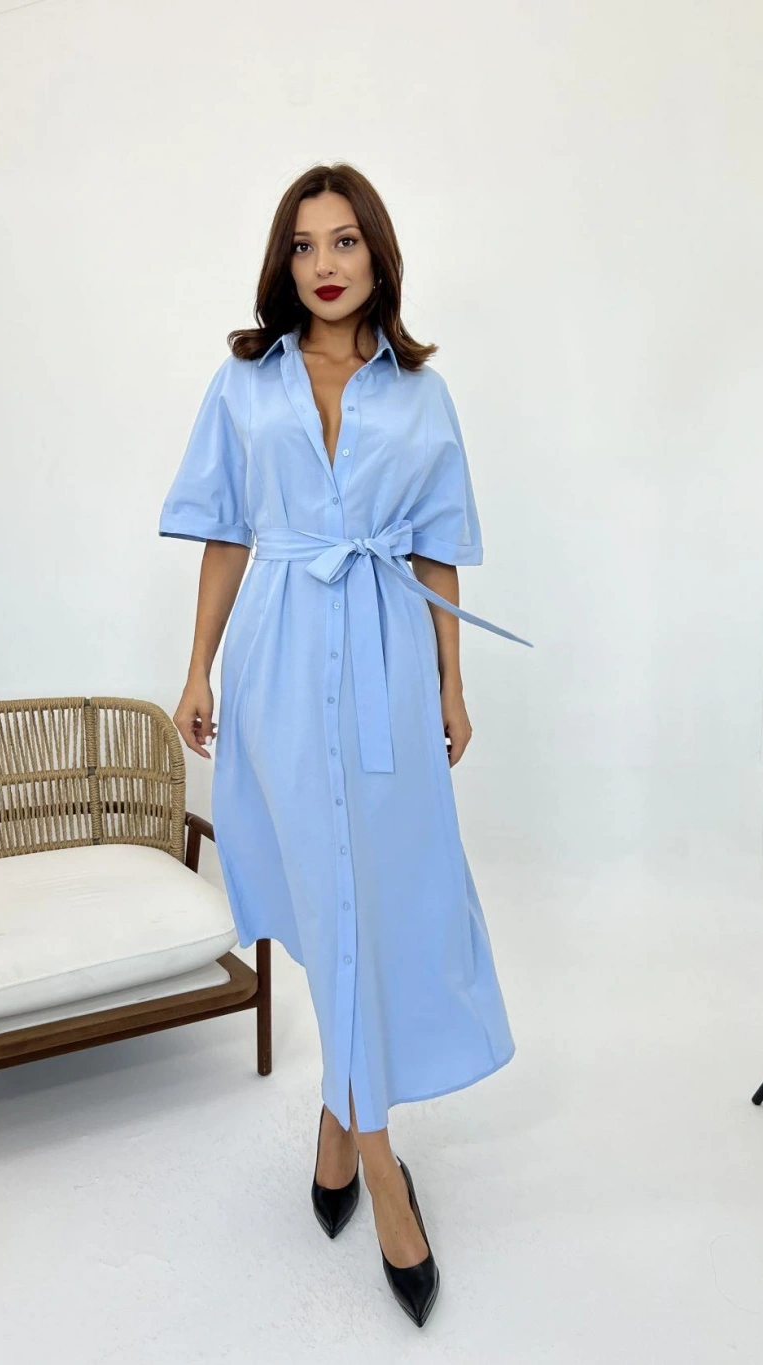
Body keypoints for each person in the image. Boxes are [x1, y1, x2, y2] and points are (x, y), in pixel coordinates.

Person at [158, 162, 532, 1328]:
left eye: (345, 241)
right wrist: (197, 668)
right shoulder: (244, 382)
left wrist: (451, 684)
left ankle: (338, 1122)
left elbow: (436, 547)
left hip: (382, 665)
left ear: (378, 255)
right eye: (304, 245)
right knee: (322, 903)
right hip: (275, 665)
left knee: (383, 896)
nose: (325, 264)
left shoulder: (421, 395)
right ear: (283, 262)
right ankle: (381, 1165)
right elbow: (224, 532)